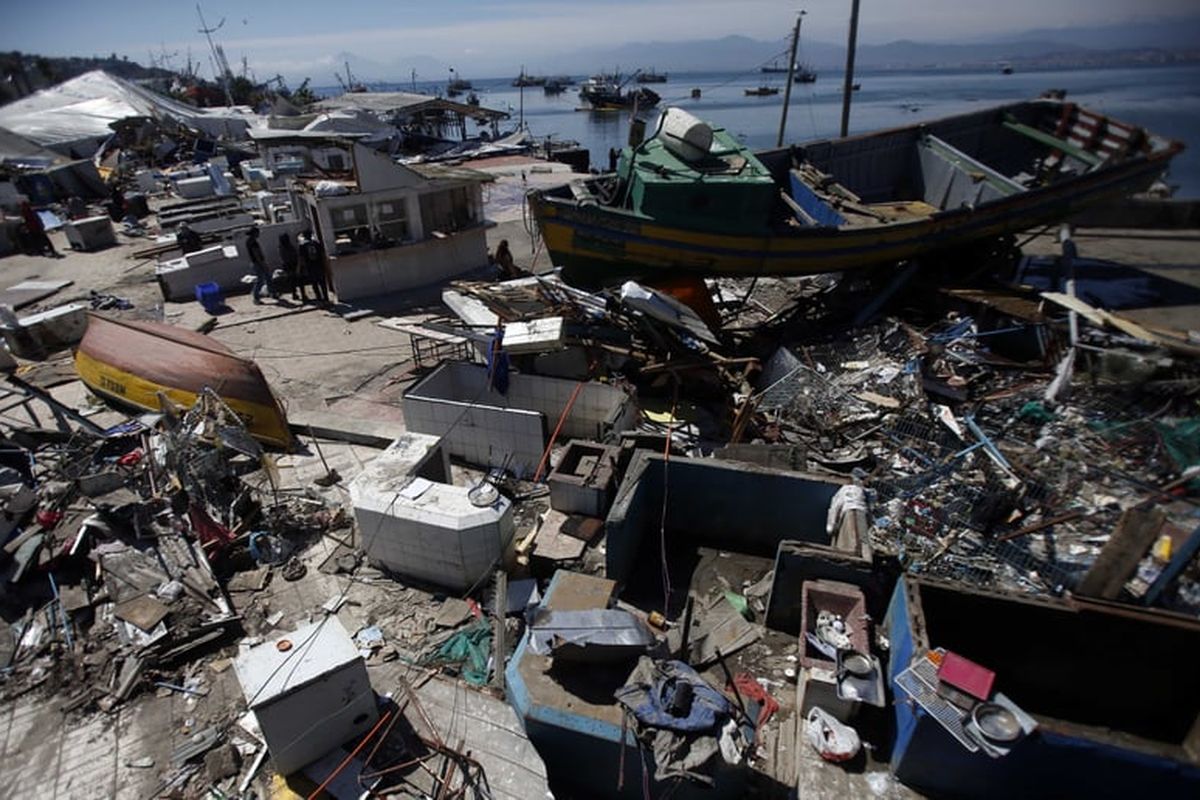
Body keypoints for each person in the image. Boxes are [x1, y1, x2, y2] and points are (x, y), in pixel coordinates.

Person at [297, 230, 329, 304]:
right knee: (322, 283)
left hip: (310, 266)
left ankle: (319, 299)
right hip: (319, 265)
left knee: (314, 283)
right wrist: (326, 266)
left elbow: (301, 258)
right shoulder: (317, 243)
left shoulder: (302, 245)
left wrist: (299, 269)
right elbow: (323, 255)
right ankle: (326, 298)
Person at [246, 227, 275, 304]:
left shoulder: (249, 241)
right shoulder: (253, 243)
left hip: (256, 263)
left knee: (267, 277)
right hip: (258, 263)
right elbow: (256, 254)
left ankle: (271, 292)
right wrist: (263, 263)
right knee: (261, 280)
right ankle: (256, 297)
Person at [278, 232, 300, 300]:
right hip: (292, 264)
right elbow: (295, 255)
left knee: (291, 280)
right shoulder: (289, 246)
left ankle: (294, 293)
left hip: (287, 264)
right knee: (296, 279)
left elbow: (282, 257)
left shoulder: (281, 247)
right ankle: (297, 293)